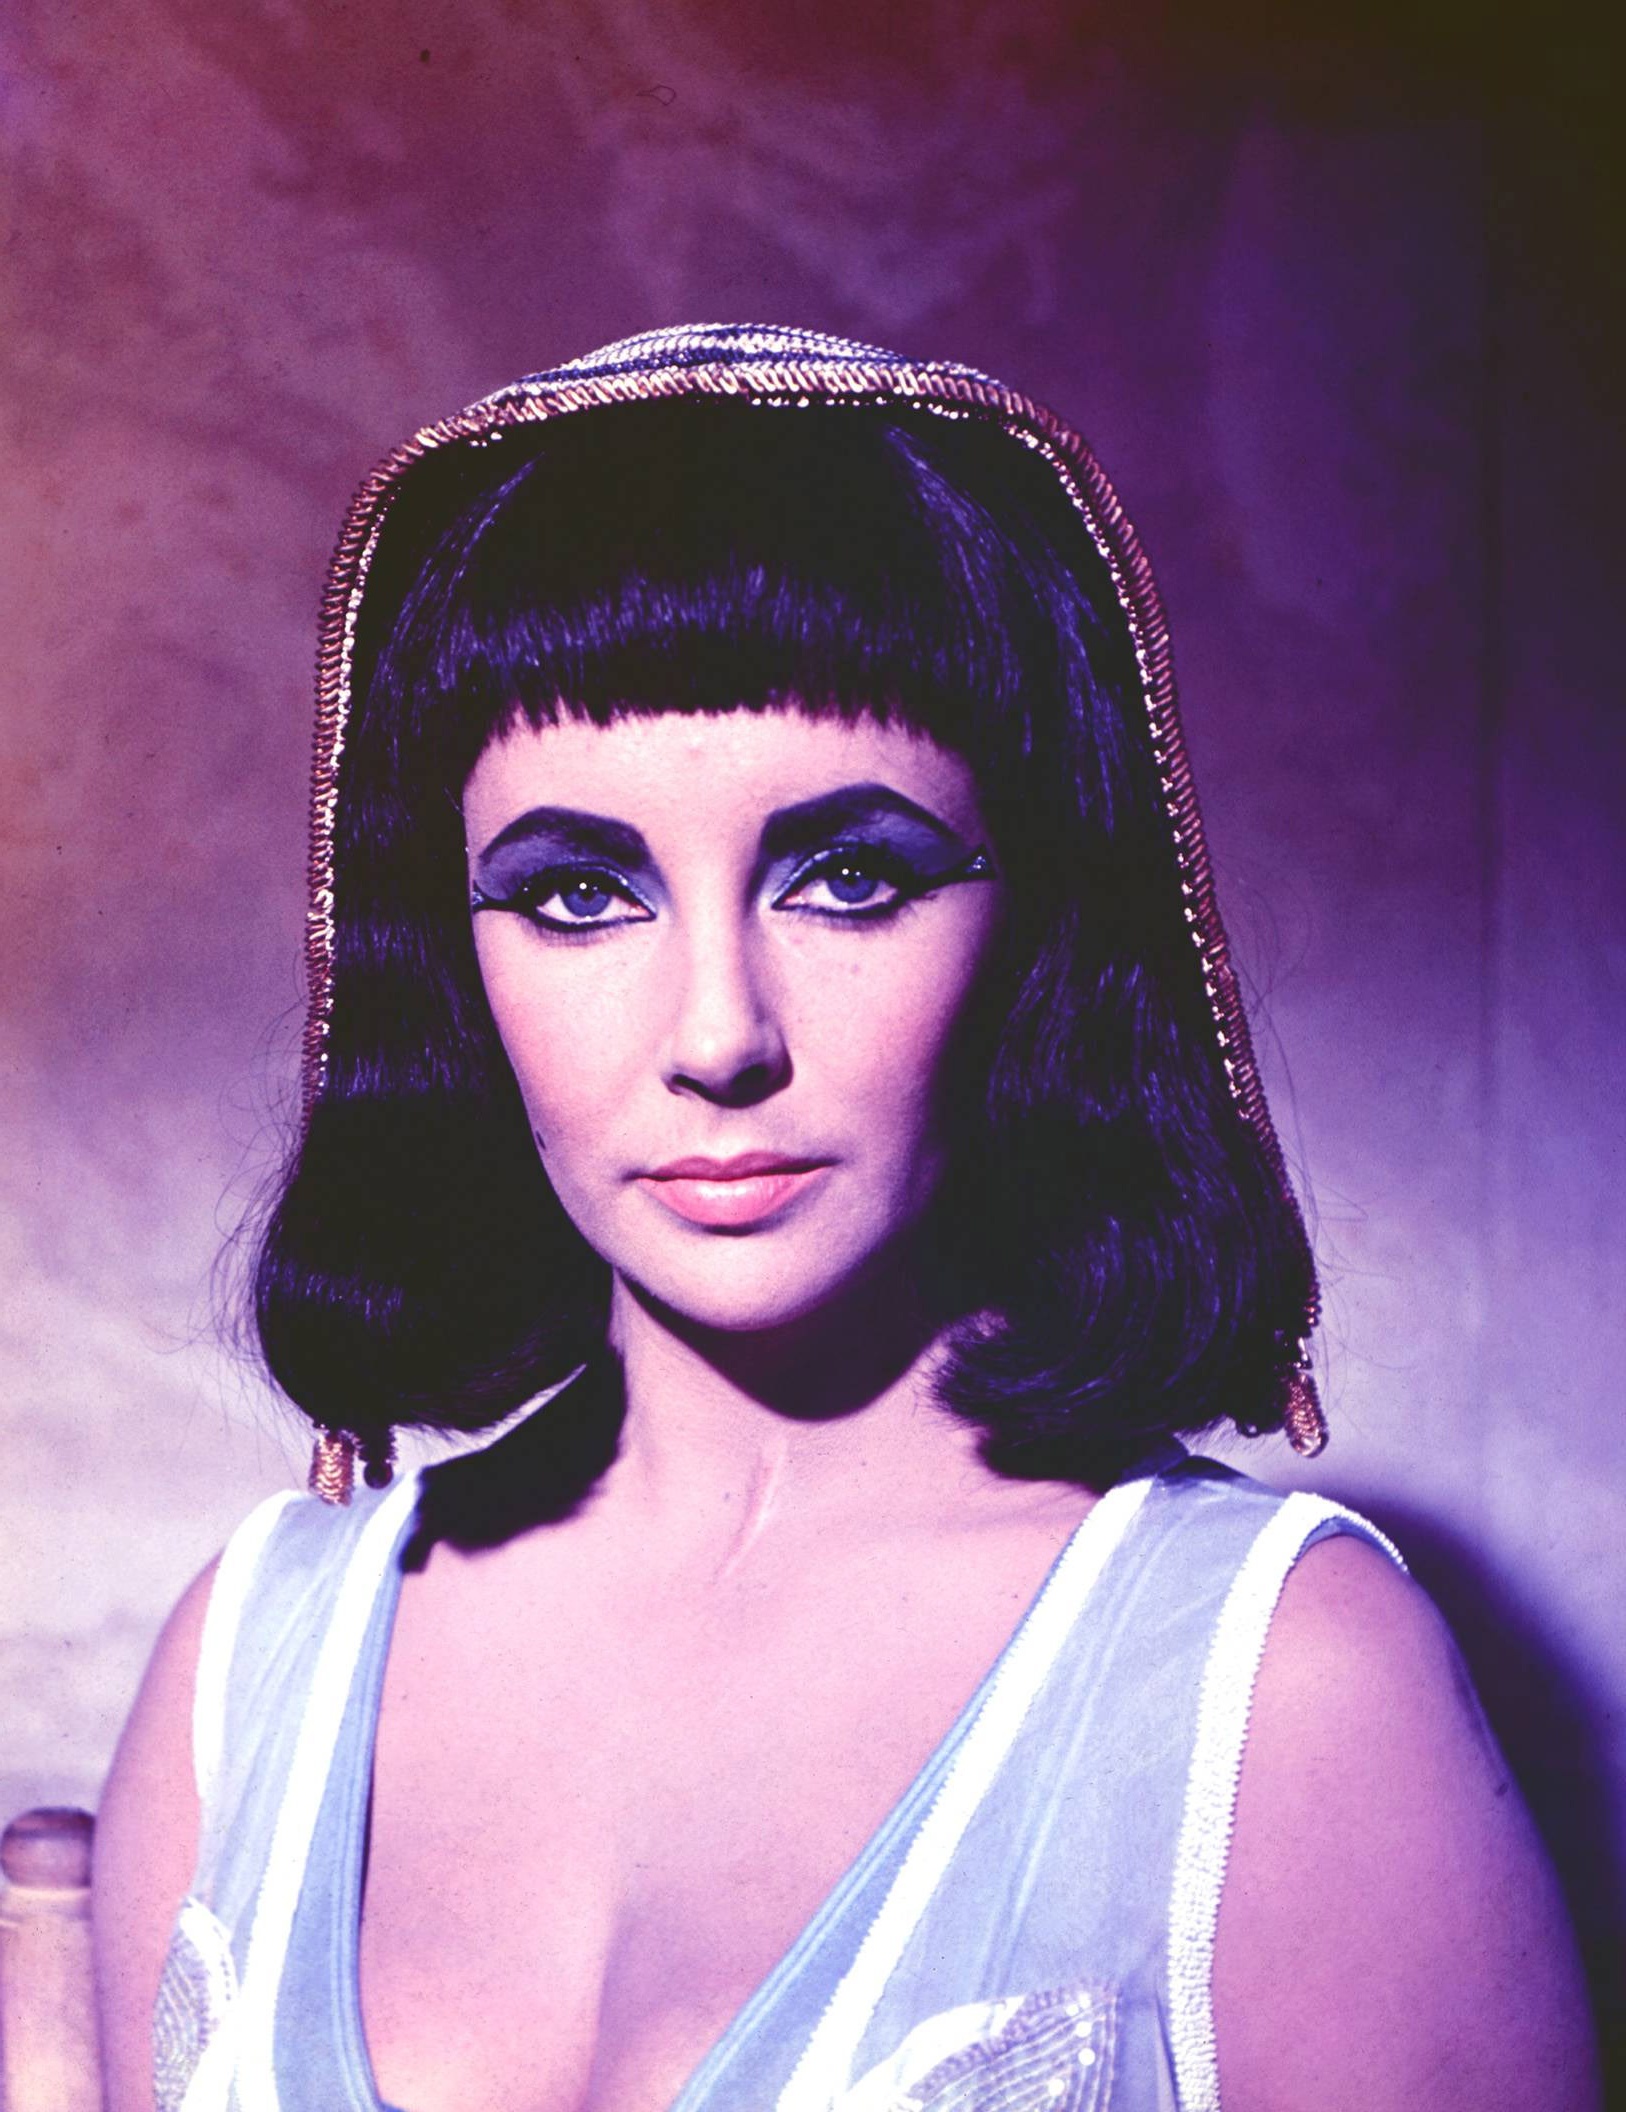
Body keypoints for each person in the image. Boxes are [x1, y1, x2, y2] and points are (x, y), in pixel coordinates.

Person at [92, 324, 1598, 2112]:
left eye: (848, 876)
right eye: (576, 894)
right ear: (451, 958)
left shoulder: (1283, 1690)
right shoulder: (250, 1659)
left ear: (1040, 922)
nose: (717, 1033)